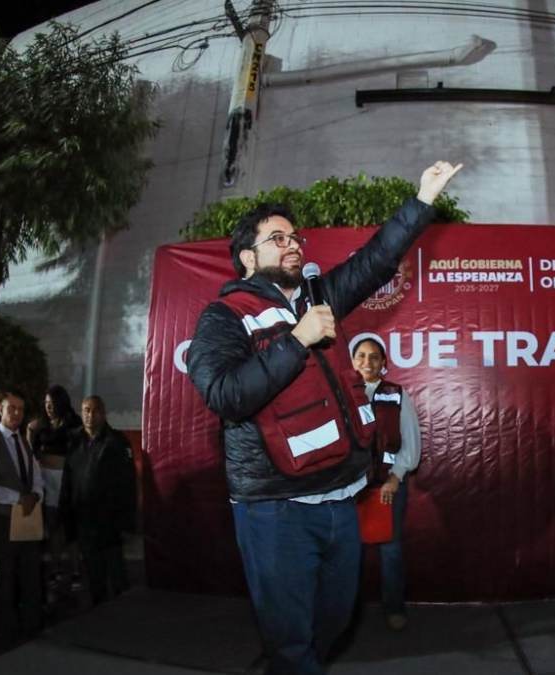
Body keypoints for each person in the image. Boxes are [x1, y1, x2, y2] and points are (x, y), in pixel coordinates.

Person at [187, 161, 462, 674]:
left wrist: (423, 198)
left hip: (339, 498)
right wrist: (297, 340)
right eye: (277, 239)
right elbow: (225, 395)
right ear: (248, 257)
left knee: (333, 622)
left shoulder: (319, 299)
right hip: (275, 508)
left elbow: (376, 261)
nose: (292, 245)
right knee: (292, 644)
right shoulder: (223, 317)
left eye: (295, 237)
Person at [351, 338, 421, 630]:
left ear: (383, 363)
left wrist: (395, 476)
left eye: (374, 357)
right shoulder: (342, 393)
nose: (367, 362)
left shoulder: (396, 393)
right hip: (348, 489)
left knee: (390, 549)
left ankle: (394, 607)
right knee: (348, 551)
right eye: (361, 356)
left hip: (387, 485)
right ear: (352, 361)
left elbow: (411, 441)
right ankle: (346, 613)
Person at [0, 389, 44, 638]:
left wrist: (35, 494)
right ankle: (9, 627)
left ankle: (32, 624)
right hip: (4, 520)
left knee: (30, 573)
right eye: (11, 408)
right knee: (7, 577)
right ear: (0, 410)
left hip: (27, 519)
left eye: (20, 409)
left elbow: (36, 476)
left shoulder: (24, 442)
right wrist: (17, 498)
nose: (16, 413)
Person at [59, 395, 136, 605]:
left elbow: (127, 484)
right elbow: (68, 480)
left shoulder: (116, 442)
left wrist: (127, 522)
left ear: (103, 413)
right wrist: (65, 516)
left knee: (117, 576)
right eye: (86, 410)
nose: (90, 415)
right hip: (84, 521)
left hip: (109, 522)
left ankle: (122, 614)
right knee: (94, 576)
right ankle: (98, 611)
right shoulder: (75, 441)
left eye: (95, 411)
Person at [27, 385, 81, 596]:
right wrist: (30, 432)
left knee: (70, 527)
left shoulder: (73, 423)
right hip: (46, 480)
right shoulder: (41, 425)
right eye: (46, 404)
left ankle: (75, 570)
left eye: (52, 404)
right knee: (52, 526)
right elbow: (31, 451)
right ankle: (56, 567)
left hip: (65, 480)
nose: (48, 408)